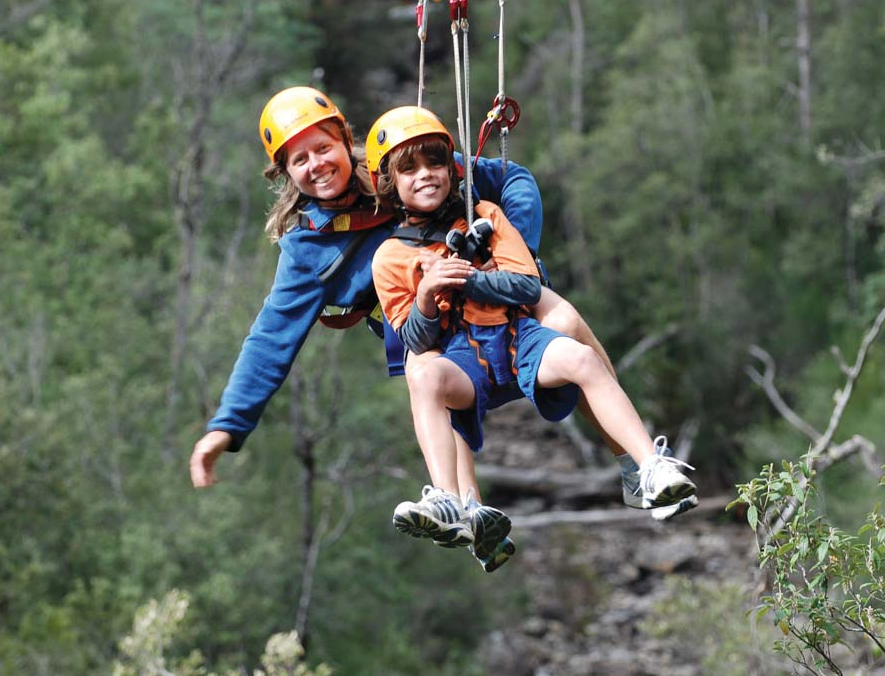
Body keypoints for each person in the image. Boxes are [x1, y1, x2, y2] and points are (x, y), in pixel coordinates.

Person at [187, 86, 647, 569]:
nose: (317, 164)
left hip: (493, 296)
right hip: (427, 329)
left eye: (323, 148)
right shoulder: (308, 252)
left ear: (346, 139)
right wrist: (228, 426)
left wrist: (515, 255)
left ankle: (634, 463)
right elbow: (270, 339)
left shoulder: (402, 163)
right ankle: (468, 512)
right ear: (284, 172)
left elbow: (512, 178)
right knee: (425, 368)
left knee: (567, 320)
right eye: (300, 159)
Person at [366, 106, 699, 568]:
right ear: (391, 183)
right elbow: (416, 340)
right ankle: (449, 499)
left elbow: (526, 285)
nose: (426, 176)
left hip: (518, 338)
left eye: (435, 164)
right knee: (421, 376)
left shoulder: (485, 214)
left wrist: (469, 278)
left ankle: (650, 467)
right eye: (410, 169)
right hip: (463, 362)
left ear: (452, 168)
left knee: (583, 360)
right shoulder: (389, 258)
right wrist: (426, 294)